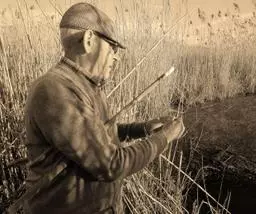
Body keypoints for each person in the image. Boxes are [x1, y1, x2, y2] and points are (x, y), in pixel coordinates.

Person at [23, 3, 185, 214]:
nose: (116, 57)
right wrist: (165, 137)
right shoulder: (55, 91)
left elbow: (98, 133)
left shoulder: (85, 84)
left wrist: (142, 129)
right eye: (112, 47)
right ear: (89, 40)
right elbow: (111, 164)